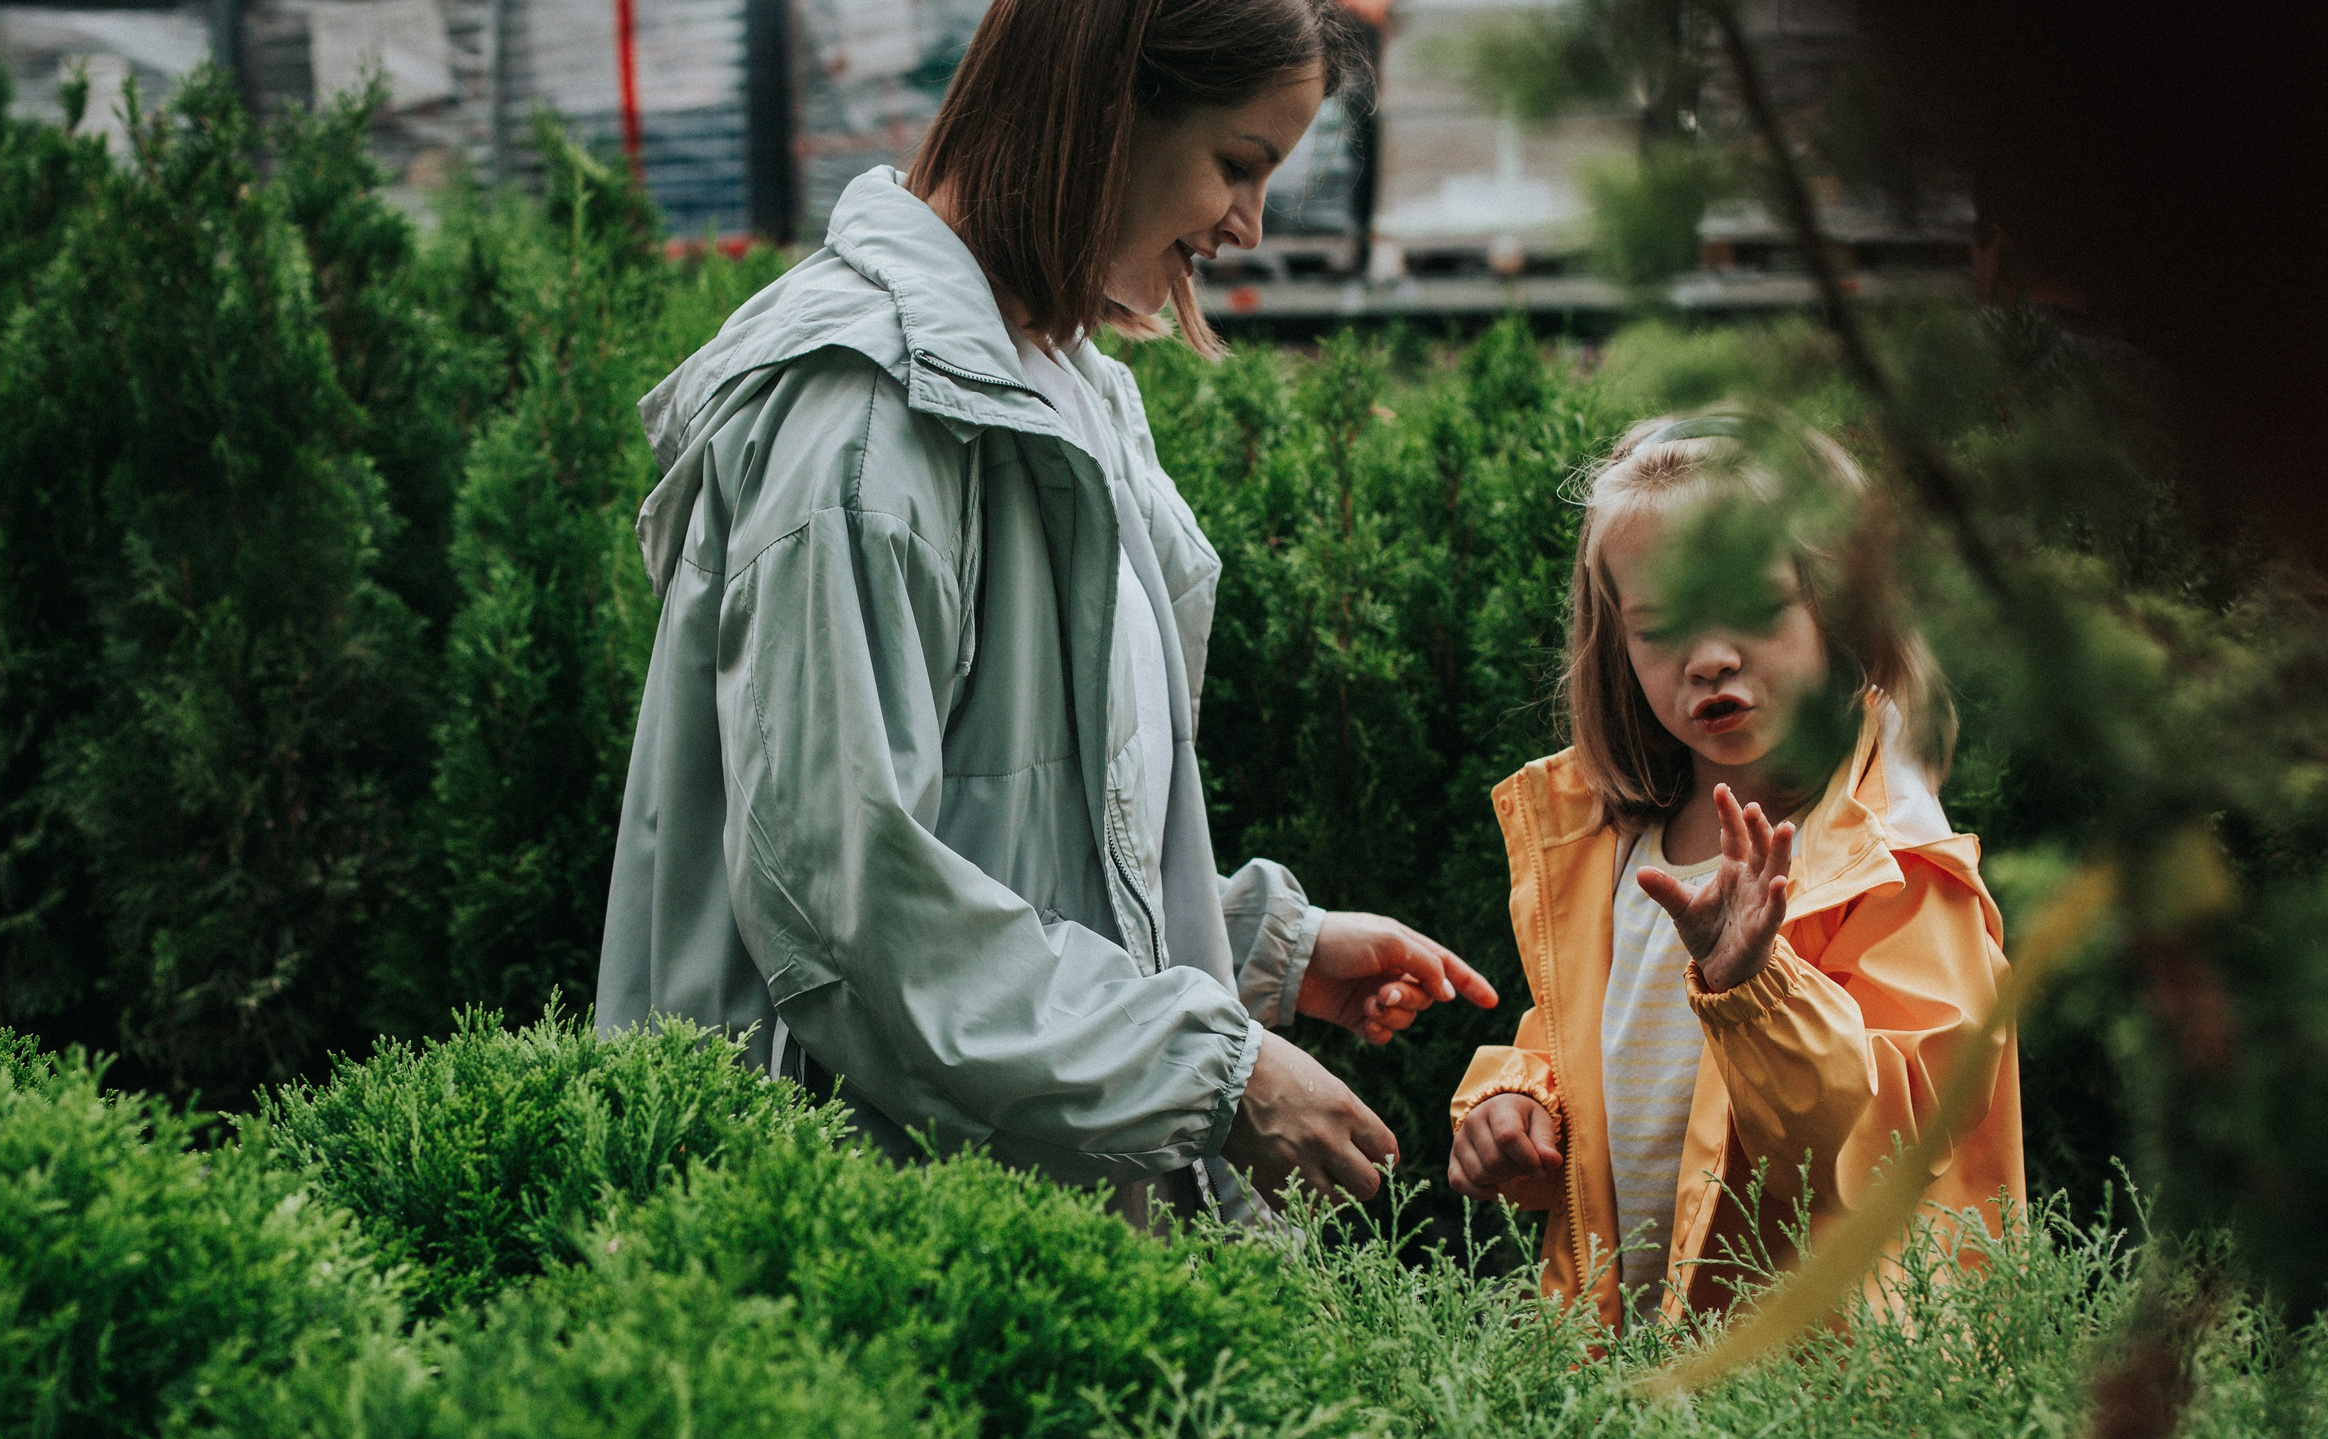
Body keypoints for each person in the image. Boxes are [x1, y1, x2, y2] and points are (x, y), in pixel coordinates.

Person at [595, 0, 1494, 1225]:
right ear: (1107, 104)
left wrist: (1261, 948)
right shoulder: (864, 436)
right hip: (856, 1257)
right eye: (1239, 165)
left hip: (993, 1227)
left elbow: (1016, 819)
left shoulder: (1056, 389)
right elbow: (854, 909)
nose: (1249, 227)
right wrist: (1210, 1073)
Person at [1446, 414, 2024, 1326]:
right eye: (1660, 627)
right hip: (1630, 1371)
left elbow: (1881, 1142)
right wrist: (1517, 1103)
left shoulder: (1899, 860)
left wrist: (1756, 986)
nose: (1708, 657)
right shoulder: (1616, 849)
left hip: (1814, 1407)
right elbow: (1595, 1056)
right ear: (1618, 647)